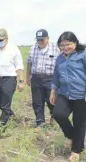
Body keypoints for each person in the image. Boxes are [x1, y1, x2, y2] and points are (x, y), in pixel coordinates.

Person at [50, 31, 86, 162]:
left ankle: (76, 150)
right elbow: (56, 76)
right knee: (58, 114)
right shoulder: (60, 58)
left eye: (68, 44)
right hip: (64, 93)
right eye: (62, 45)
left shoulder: (83, 55)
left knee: (80, 123)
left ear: (75, 43)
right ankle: (70, 135)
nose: (65, 48)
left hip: (81, 95)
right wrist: (53, 92)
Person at [0, 28, 24, 129]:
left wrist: (21, 81)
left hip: (10, 79)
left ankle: (1, 126)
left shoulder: (13, 49)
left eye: (1, 40)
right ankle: (12, 116)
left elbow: (19, 66)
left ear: (7, 39)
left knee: (5, 104)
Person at [26, 29, 60, 128]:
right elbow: (29, 63)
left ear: (48, 38)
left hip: (50, 78)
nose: (40, 42)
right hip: (36, 77)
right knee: (37, 101)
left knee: (52, 100)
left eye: (42, 40)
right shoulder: (33, 48)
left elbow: (61, 63)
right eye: (38, 40)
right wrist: (27, 76)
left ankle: (55, 115)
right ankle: (40, 121)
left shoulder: (55, 48)